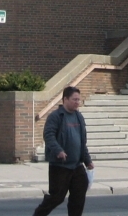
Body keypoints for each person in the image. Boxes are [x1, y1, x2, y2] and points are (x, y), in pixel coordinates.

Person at [32, 86, 95, 216]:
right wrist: (58, 151)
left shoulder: (79, 117)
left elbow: (82, 141)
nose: (77, 102)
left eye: (79, 100)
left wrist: (88, 160)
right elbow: (48, 135)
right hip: (60, 166)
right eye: (74, 99)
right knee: (57, 197)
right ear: (65, 99)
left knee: (79, 196)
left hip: (77, 165)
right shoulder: (56, 116)